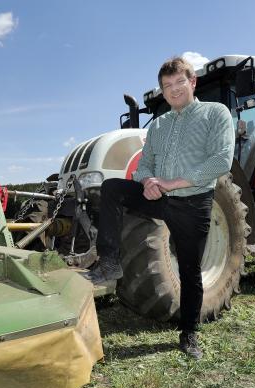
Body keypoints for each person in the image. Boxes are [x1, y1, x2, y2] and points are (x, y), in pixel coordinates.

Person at [83, 56, 235, 359]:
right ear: (162, 91)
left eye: (180, 82)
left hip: (193, 204)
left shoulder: (215, 113)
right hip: (161, 199)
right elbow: (144, 164)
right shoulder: (159, 125)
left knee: (190, 271)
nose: (174, 89)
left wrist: (170, 183)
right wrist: (148, 181)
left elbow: (221, 160)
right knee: (112, 188)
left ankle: (189, 333)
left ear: (192, 82)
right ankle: (109, 262)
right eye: (167, 85)